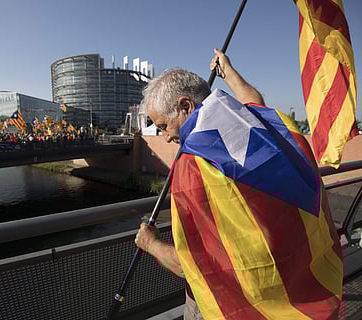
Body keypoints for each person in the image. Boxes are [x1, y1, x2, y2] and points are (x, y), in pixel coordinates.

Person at [135, 49, 342, 319]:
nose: (164, 137)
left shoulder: (193, 168)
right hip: (307, 282)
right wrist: (230, 74)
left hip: (244, 303)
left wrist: (150, 245)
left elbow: (194, 265)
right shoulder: (269, 125)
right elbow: (254, 101)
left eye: (164, 126)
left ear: (186, 106)